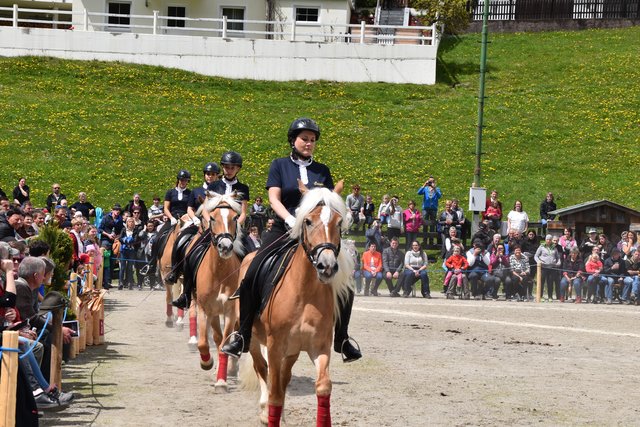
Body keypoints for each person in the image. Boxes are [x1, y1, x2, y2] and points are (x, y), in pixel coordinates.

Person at [221, 118, 361, 362]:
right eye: (304, 139)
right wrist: (289, 219)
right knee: (253, 268)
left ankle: (343, 339)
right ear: (293, 140)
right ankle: (242, 333)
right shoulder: (279, 165)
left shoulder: (322, 171)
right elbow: (274, 198)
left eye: (313, 140)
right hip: (284, 228)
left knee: (345, 278)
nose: (309, 143)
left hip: (316, 234)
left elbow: (327, 203)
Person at [210, 151, 249, 227]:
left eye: (232, 168)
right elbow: (205, 210)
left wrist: (234, 226)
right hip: (215, 226)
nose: (229, 171)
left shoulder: (243, 188)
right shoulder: (213, 186)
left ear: (238, 169)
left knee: (248, 239)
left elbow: (243, 213)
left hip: (235, 227)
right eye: (227, 167)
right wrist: (211, 223)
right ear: (222, 167)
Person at [98, 204, 124, 288]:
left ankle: (108, 281)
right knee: (105, 260)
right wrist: (108, 235)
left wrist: (117, 236)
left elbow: (120, 231)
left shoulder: (120, 219)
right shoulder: (106, 217)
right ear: (112, 210)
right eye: (115, 210)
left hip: (114, 241)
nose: (117, 212)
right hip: (105, 240)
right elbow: (100, 229)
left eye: (119, 210)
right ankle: (101, 281)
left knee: (112, 261)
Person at [534, 234, 561, 301]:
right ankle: (540, 296)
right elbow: (536, 256)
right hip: (543, 267)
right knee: (541, 282)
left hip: (552, 267)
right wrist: (538, 262)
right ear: (545, 240)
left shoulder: (554, 247)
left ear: (551, 240)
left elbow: (558, 257)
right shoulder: (541, 246)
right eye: (547, 239)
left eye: (550, 239)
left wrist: (558, 262)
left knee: (550, 282)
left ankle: (550, 296)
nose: (548, 241)